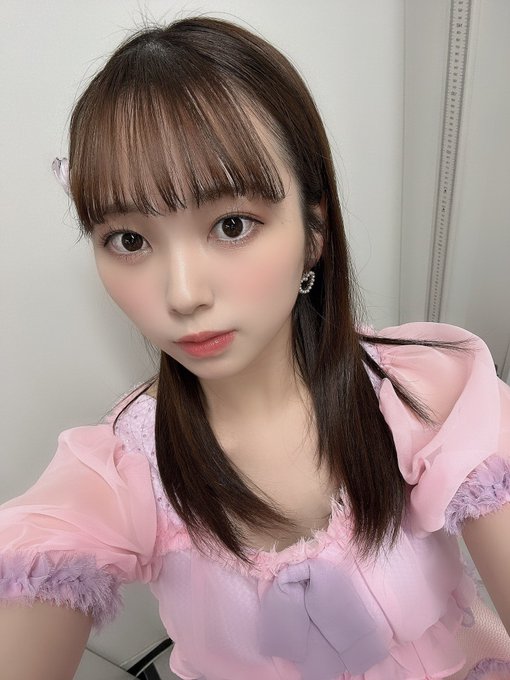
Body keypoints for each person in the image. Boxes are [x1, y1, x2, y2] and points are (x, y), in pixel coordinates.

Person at [0, 16, 509, 680]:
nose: (183, 294)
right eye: (129, 240)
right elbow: (42, 551)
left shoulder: (423, 392)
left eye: (232, 225)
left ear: (314, 232)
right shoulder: (121, 470)